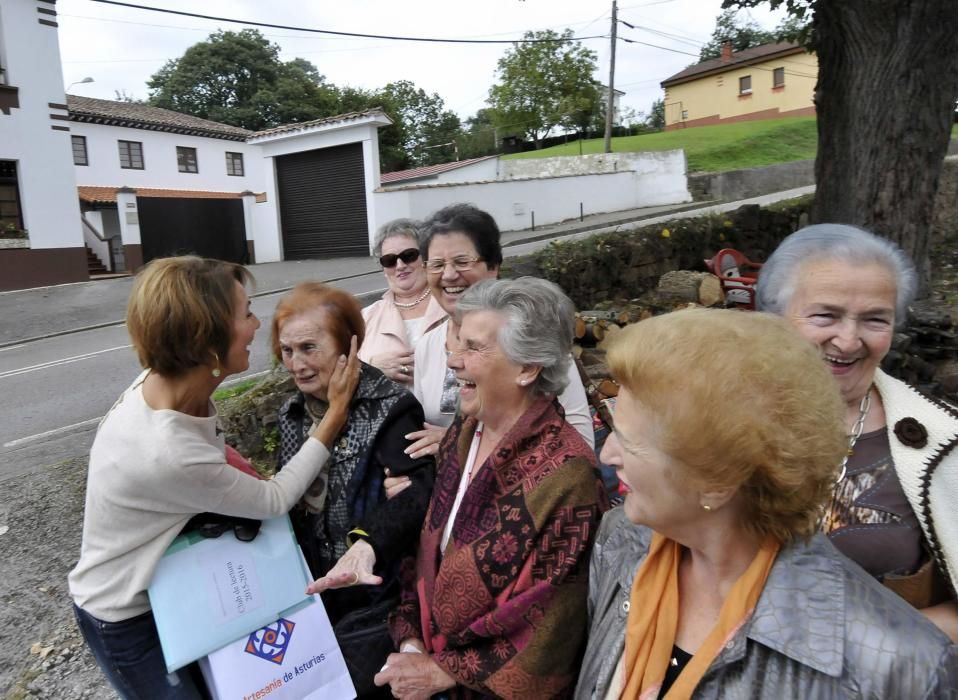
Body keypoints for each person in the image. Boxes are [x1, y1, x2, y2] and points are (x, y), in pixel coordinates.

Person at [575, 308, 958, 699]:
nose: (607, 456)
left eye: (629, 440)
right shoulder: (621, 541)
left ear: (718, 480)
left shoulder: (900, 665)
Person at [68, 256, 360, 699]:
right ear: (207, 346)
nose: (258, 323)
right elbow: (274, 499)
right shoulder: (166, 449)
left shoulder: (166, 382)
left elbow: (210, 452)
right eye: (245, 314)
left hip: (171, 583)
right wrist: (335, 413)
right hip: (125, 613)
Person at [376, 277, 607, 699]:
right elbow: (430, 550)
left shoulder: (570, 474)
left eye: (474, 348)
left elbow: (551, 616)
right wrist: (410, 640)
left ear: (527, 368)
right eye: (457, 344)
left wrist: (444, 671)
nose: (454, 361)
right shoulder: (466, 431)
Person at [757, 224, 958, 642]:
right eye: (825, 315)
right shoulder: (713, 422)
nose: (848, 341)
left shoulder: (944, 443)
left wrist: (865, 645)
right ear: (775, 317)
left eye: (874, 320)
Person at [271, 282, 435, 695]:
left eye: (309, 347)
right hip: (311, 588)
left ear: (349, 344)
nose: (296, 364)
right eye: (287, 351)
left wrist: (368, 542)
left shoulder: (389, 407)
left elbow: (421, 491)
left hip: (374, 594)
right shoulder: (292, 413)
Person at [407, 203, 594, 461]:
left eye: (462, 261)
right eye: (436, 264)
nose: (449, 275)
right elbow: (419, 433)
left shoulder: (532, 337)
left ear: (493, 266)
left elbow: (580, 445)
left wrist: (456, 443)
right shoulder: (428, 345)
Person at [359, 218, 446, 385]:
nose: (399, 265)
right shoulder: (365, 318)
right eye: (389, 260)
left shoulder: (450, 304)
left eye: (408, 256)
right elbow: (340, 373)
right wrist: (372, 369)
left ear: (426, 257)